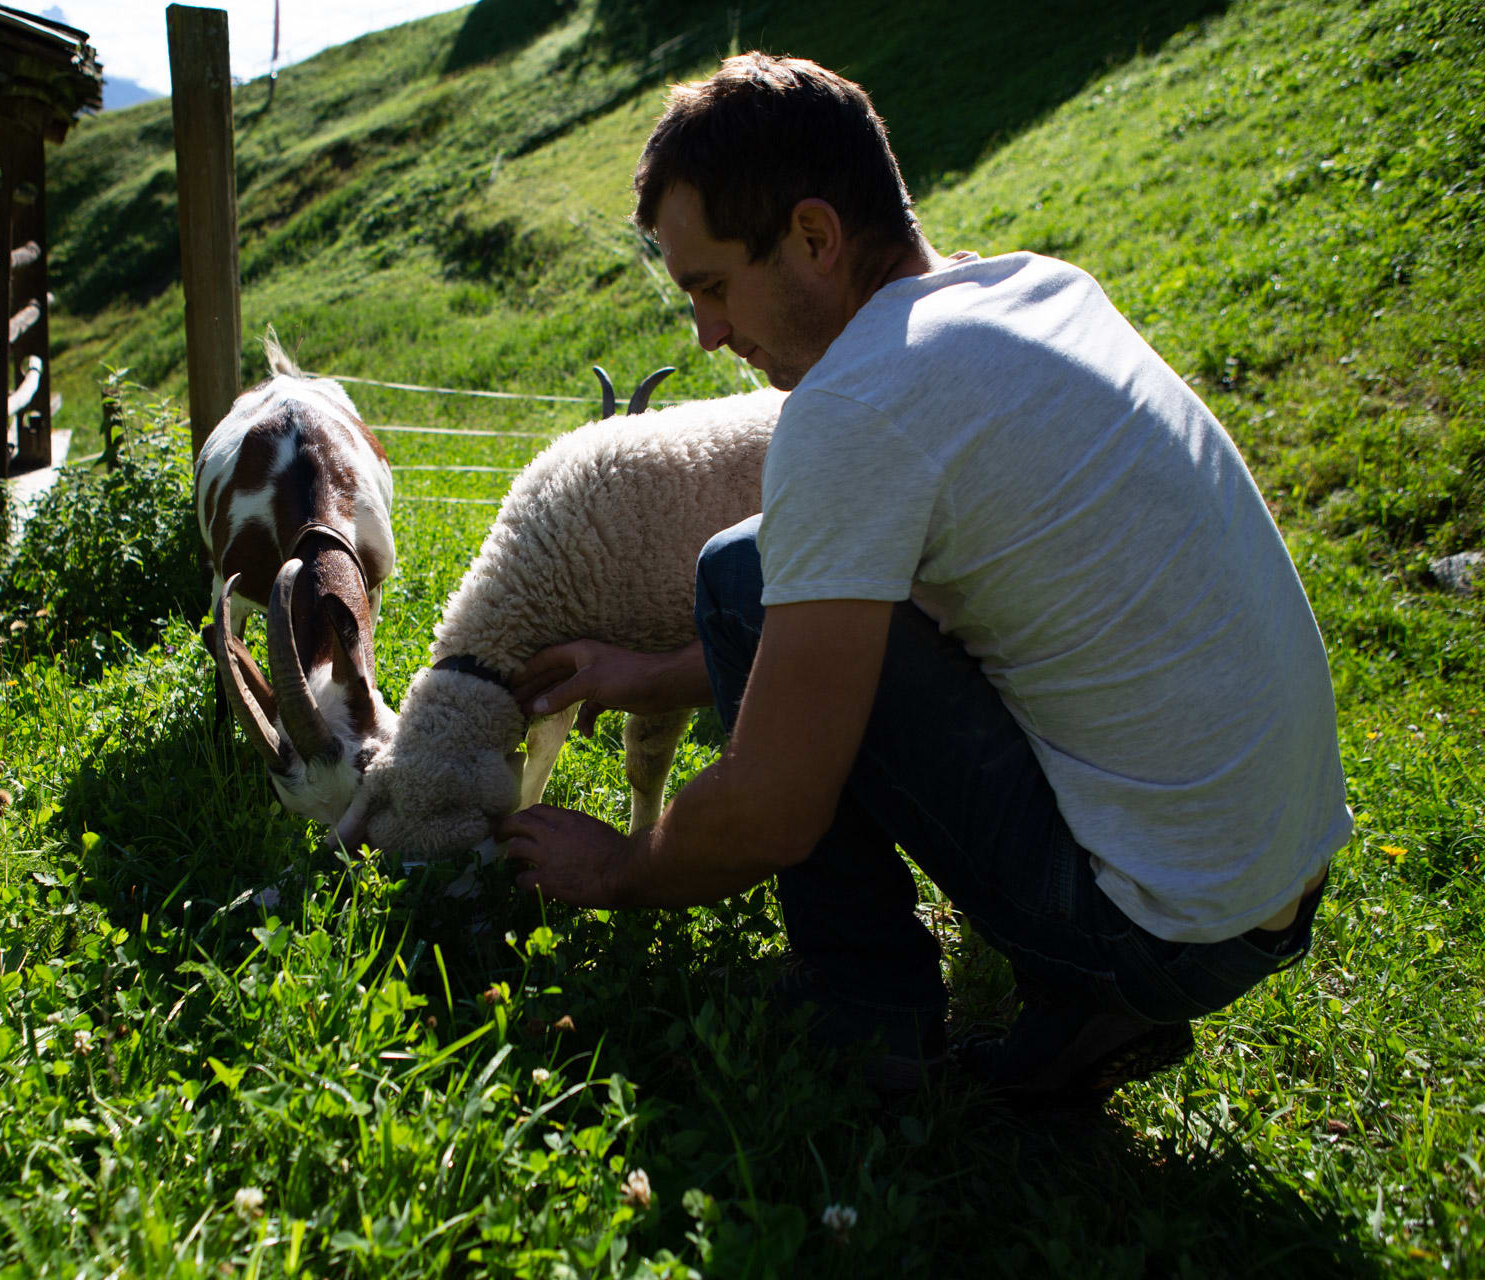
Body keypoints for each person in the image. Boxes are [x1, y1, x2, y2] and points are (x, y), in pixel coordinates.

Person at [497, 53, 1350, 1102]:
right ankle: (1086, 1010)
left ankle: (871, 1017)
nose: (708, 334)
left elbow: (773, 809)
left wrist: (617, 869)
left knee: (740, 577)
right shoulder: (1039, 292)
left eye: (713, 287)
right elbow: (863, 619)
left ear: (815, 236)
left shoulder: (857, 405)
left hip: (1160, 926)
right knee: (758, 572)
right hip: (1272, 886)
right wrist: (652, 674)